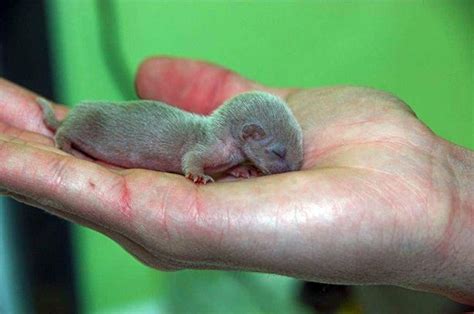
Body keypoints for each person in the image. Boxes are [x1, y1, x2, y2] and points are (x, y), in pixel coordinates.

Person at [0, 57, 472, 305]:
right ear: (248, 135)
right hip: (103, 125)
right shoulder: (206, 143)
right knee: (91, 127)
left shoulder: (233, 147)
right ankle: (64, 129)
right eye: (277, 154)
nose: (284, 166)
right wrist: (196, 172)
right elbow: (192, 158)